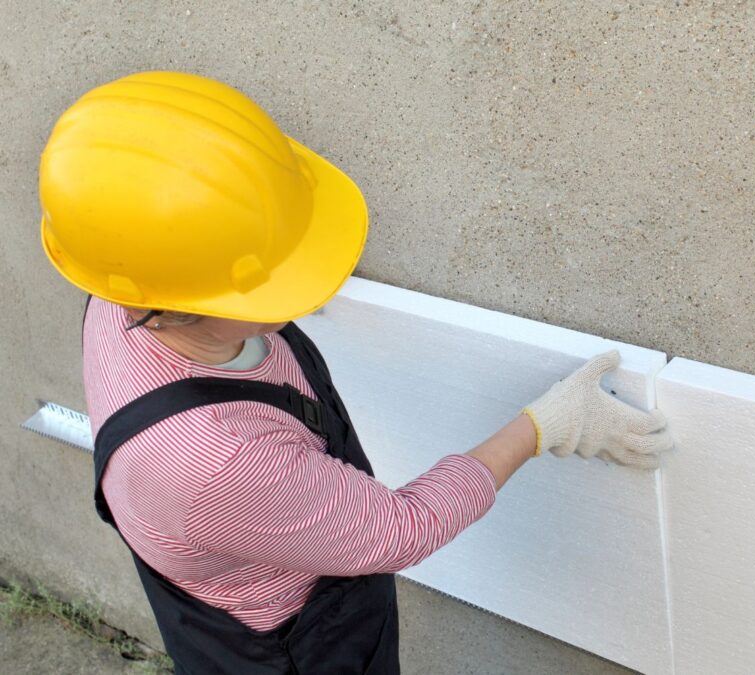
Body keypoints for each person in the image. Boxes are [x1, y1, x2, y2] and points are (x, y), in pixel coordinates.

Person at [39, 71, 673, 674]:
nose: (299, 302)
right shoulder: (221, 465)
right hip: (299, 651)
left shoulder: (120, 286)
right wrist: (543, 427)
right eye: (270, 288)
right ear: (183, 306)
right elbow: (403, 529)